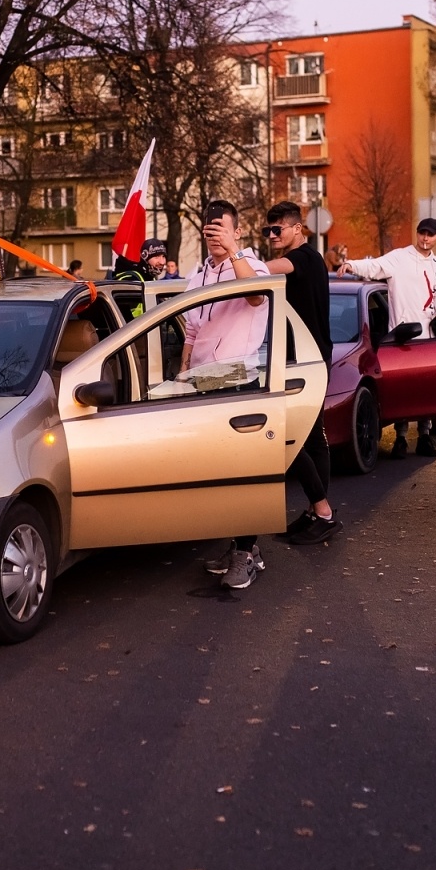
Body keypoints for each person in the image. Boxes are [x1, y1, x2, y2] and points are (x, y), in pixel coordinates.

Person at [181, 201, 271, 590]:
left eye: (222, 229)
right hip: (203, 380)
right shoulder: (198, 273)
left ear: (238, 231)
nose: (214, 237)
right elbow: (191, 329)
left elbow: (255, 297)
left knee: (241, 470)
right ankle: (241, 546)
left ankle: (246, 553)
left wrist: (232, 254)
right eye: (209, 230)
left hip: (237, 377)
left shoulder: (252, 264)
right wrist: (183, 372)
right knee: (217, 472)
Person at [254, 202, 337, 545]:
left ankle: (324, 512)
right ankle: (316, 513)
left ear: (297, 228)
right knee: (313, 437)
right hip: (300, 358)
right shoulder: (298, 263)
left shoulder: (305, 258)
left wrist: (237, 259)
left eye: (278, 230)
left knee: (290, 436)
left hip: (308, 360)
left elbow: (268, 268)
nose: (272, 235)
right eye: (267, 230)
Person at [340, 218, 436, 458]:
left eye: (430, 235)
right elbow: (375, 267)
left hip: (427, 335)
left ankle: (424, 436)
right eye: (422, 233)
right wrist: (351, 265)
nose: (425, 238)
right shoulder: (400, 257)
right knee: (403, 387)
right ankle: (400, 438)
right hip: (400, 335)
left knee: (425, 387)